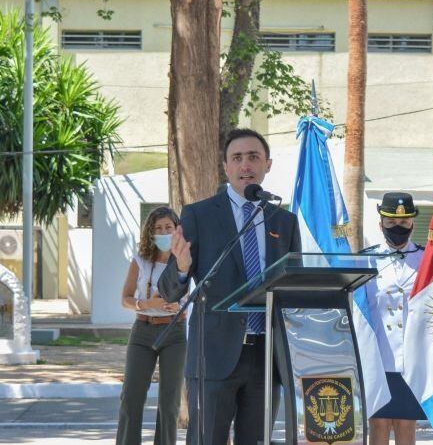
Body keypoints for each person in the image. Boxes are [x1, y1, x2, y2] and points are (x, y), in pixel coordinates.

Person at [158, 128, 301, 445]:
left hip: (266, 357)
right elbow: (169, 291)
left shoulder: (284, 221)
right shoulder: (200, 215)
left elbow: (295, 287)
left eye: (253, 157)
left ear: (268, 165)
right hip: (214, 354)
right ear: (225, 167)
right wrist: (182, 268)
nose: (245, 166)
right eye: (237, 158)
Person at [116, 206, 186, 445]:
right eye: (158, 228)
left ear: (177, 229)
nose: (164, 232)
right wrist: (145, 304)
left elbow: (196, 294)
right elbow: (125, 299)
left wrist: (180, 307)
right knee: (131, 398)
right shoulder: (141, 260)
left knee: (170, 401)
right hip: (143, 330)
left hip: (174, 332)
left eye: (168, 227)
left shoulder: (185, 260)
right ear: (150, 232)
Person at [364, 192, 426, 445]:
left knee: (406, 425)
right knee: (378, 426)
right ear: (381, 224)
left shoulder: (427, 258)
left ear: (412, 223)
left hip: (412, 358)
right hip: (377, 356)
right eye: (391, 223)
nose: (397, 228)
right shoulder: (365, 259)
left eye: (403, 222)